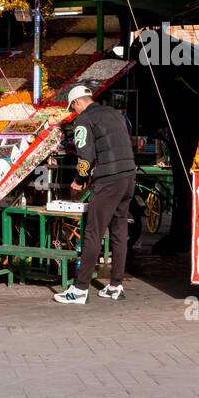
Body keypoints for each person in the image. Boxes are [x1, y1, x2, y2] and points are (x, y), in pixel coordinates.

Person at [54, 85, 136, 305]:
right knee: (119, 232)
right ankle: (115, 286)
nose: (74, 111)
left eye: (73, 107)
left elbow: (85, 156)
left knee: (93, 232)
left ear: (78, 102)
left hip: (109, 180)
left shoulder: (84, 120)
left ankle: (80, 290)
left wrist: (79, 180)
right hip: (129, 176)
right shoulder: (114, 114)